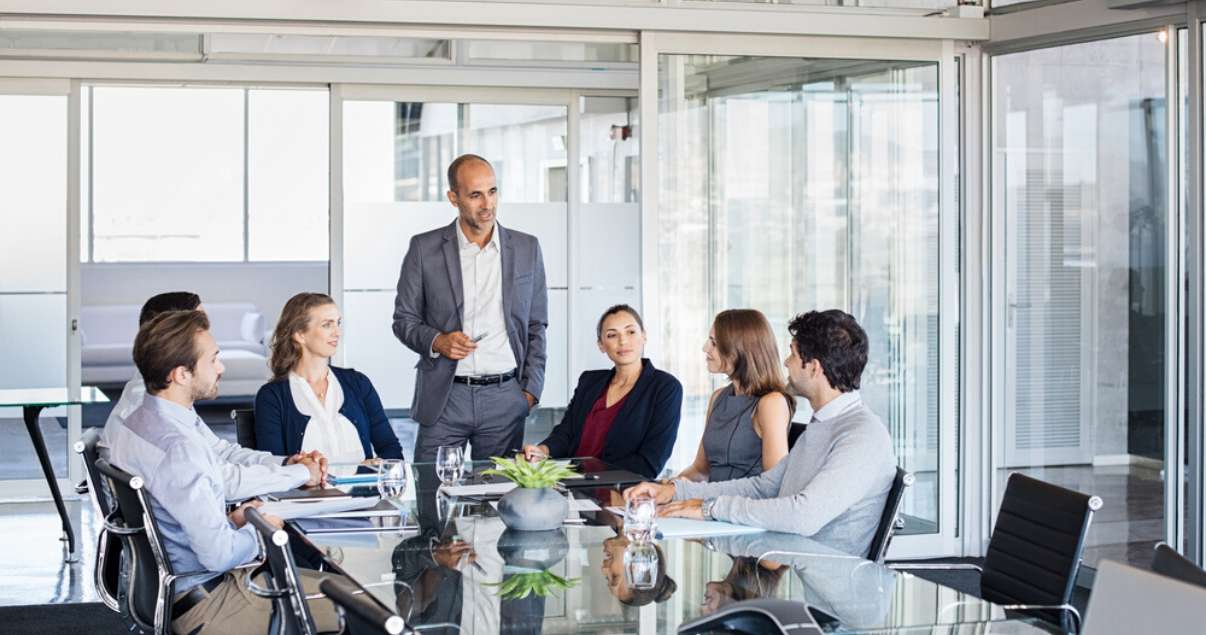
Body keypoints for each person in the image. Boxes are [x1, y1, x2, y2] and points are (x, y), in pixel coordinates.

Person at [105, 310, 341, 635]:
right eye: (213, 359)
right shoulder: (179, 447)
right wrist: (262, 530)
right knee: (361, 604)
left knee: (334, 586)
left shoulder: (137, 423)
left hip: (176, 592)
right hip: (211, 604)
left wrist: (235, 519)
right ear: (182, 374)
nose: (222, 367)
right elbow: (218, 555)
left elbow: (178, 516)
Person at [625, 309, 897, 557]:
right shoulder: (823, 424)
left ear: (814, 367)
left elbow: (804, 515)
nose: (786, 362)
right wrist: (675, 492)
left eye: (792, 354)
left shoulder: (862, 435)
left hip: (827, 594)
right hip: (795, 566)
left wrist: (708, 508)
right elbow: (765, 485)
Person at [393, 153, 548, 463]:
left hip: (505, 397)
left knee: (495, 500)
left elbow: (536, 325)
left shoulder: (526, 247)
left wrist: (529, 392)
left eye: (492, 191)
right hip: (445, 396)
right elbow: (403, 320)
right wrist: (438, 341)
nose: (487, 204)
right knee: (430, 495)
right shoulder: (424, 248)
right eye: (475, 195)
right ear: (454, 198)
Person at [100, 292, 324, 500]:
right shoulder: (151, 411)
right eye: (199, 325)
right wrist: (299, 473)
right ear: (174, 335)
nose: (207, 334)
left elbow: (219, 452)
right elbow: (221, 481)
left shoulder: (163, 397)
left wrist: (286, 463)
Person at [522, 304, 683, 479]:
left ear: (644, 337)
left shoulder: (665, 387)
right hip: (569, 485)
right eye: (612, 335)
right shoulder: (589, 382)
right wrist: (542, 451)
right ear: (601, 345)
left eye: (630, 332)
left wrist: (589, 478)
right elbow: (566, 433)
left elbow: (650, 461)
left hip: (619, 492)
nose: (623, 341)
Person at [256, 292, 403, 464]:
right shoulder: (272, 396)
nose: (337, 332)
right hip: (309, 491)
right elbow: (273, 465)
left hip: (362, 490)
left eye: (337, 323)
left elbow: (392, 450)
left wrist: (372, 466)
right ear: (300, 335)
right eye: (327, 325)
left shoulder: (358, 383)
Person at [674, 309, 794, 482]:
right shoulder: (718, 397)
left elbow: (772, 485)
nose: (705, 348)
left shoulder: (771, 402)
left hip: (738, 506)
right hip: (707, 502)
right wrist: (667, 486)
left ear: (741, 349)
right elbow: (701, 471)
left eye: (714, 343)